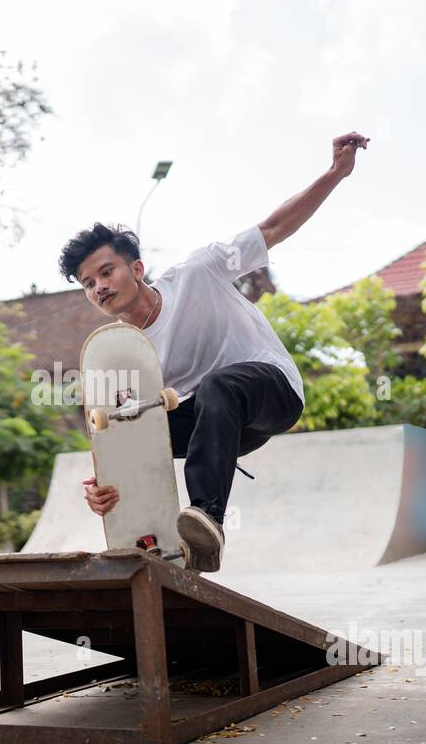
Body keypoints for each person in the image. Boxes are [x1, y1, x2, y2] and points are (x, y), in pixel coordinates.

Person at [58, 133, 368, 571]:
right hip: (217, 427)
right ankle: (161, 541)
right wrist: (101, 483)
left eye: (106, 272)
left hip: (272, 391)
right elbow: (121, 435)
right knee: (133, 427)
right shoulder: (126, 353)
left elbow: (274, 228)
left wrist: (336, 173)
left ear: (137, 269)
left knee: (218, 384)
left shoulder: (198, 272)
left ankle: (207, 522)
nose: (100, 288)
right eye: (88, 284)